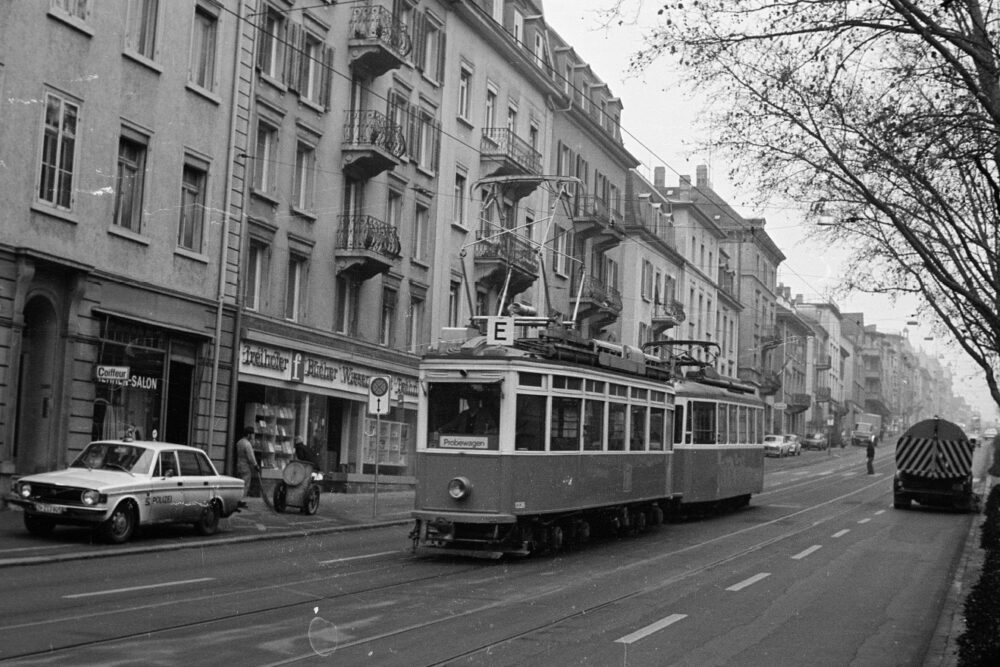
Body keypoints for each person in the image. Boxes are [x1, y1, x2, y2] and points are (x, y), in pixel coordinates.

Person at [235, 426, 259, 499]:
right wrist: (255, 465)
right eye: (251, 434)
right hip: (245, 466)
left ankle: (237, 499)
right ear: (248, 434)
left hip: (239, 465)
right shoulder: (247, 444)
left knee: (239, 484)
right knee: (245, 484)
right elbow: (251, 456)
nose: (252, 436)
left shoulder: (239, 442)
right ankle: (241, 500)